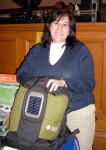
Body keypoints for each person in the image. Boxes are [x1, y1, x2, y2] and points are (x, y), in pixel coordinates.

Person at [16, 9, 96, 150]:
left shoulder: (81, 50)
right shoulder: (37, 50)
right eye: (56, 23)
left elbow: (90, 83)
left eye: (65, 24)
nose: (60, 28)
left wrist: (64, 83)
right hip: (45, 112)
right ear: (49, 26)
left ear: (70, 30)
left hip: (77, 112)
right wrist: (40, 84)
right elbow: (22, 74)